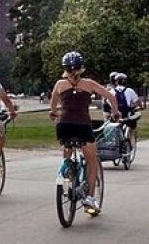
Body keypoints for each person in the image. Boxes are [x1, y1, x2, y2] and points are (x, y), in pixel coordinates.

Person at [49, 52, 119, 215]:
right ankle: (89, 197)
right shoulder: (89, 84)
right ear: (81, 68)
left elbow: (53, 104)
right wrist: (115, 112)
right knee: (92, 160)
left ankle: (67, 173)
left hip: (64, 126)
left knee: (67, 149)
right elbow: (110, 96)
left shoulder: (59, 84)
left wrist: (53, 113)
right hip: (82, 126)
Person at [109, 73, 142, 149]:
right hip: (127, 115)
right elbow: (137, 102)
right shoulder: (130, 90)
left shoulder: (111, 91)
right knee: (131, 131)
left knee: (114, 128)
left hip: (116, 115)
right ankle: (131, 147)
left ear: (116, 82)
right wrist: (140, 107)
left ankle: (115, 145)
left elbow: (108, 103)